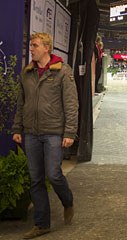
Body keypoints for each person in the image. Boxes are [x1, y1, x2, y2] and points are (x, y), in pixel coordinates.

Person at [12, 32, 78, 239]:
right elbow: (21, 104)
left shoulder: (62, 72)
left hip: (53, 133)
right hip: (31, 133)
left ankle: (67, 200)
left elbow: (71, 104)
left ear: (46, 48)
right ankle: (42, 224)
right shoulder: (27, 73)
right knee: (35, 179)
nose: (31, 49)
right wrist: (17, 128)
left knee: (54, 174)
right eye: (31, 46)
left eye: (35, 45)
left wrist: (70, 132)